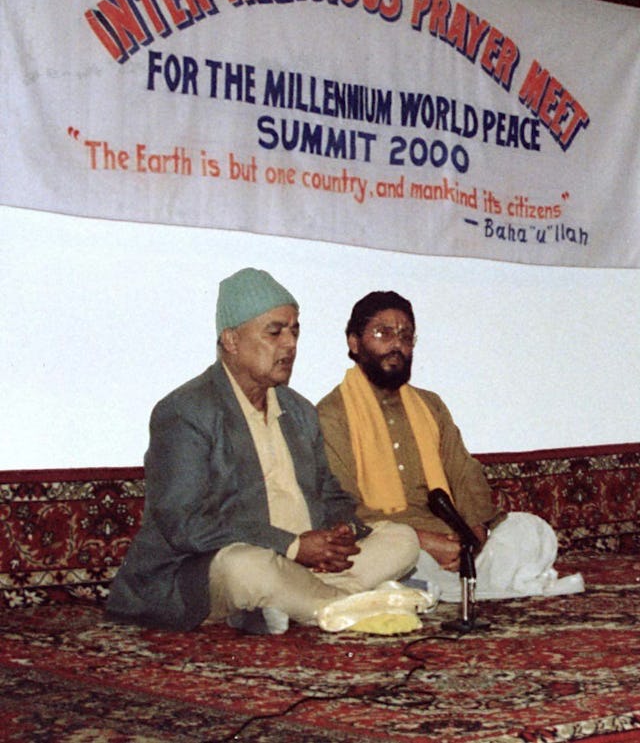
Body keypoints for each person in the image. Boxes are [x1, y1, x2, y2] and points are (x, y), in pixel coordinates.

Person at [107, 270, 434, 635]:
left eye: (295, 331)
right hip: (213, 566)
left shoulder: (300, 412)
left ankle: (305, 603)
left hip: (305, 564)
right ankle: (341, 605)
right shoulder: (186, 411)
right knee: (245, 567)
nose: (290, 344)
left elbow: (329, 493)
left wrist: (342, 530)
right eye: (275, 332)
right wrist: (292, 547)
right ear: (231, 340)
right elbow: (185, 524)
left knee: (401, 539)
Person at [317, 290, 584, 602]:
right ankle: (480, 587)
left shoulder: (430, 406)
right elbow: (342, 506)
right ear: (354, 342)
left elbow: (464, 472)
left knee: (531, 531)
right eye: (383, 333)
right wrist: (424, 541)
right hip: (397, 542)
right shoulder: (332, 414)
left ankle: (451, 591)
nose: (397, 345)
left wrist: (476, 530)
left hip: (455, 536)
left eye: (406, 336)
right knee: (396, 558)